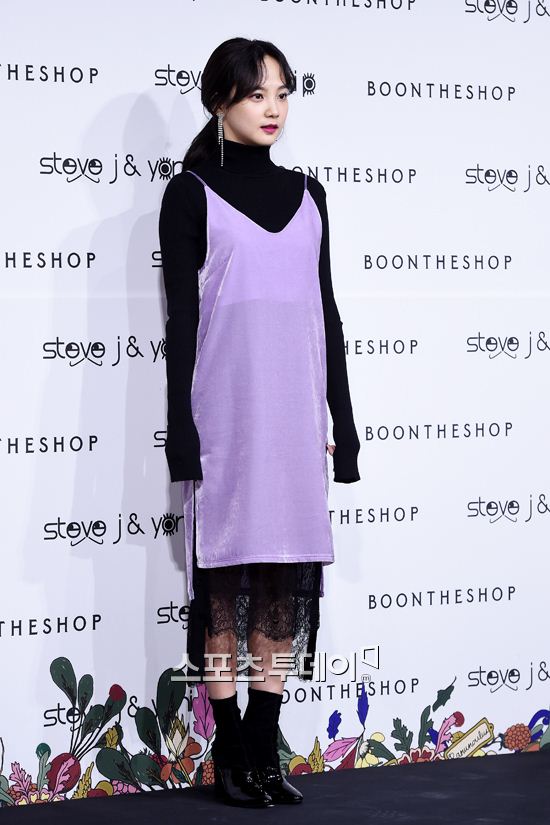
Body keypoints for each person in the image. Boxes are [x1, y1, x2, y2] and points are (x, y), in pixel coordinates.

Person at [159, 37, 361, 807]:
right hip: (226, 418)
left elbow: (326, 315)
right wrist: (181, 427)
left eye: (282, 92)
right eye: (255, 94)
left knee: (283, 585)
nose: (273, 108)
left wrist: (345, 420)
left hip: (295, 419)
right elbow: (182, 324)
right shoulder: (190, 194)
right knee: (222, 585)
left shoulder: (311, 196)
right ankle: (232, 751)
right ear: (220, 101)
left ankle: (263, 752)